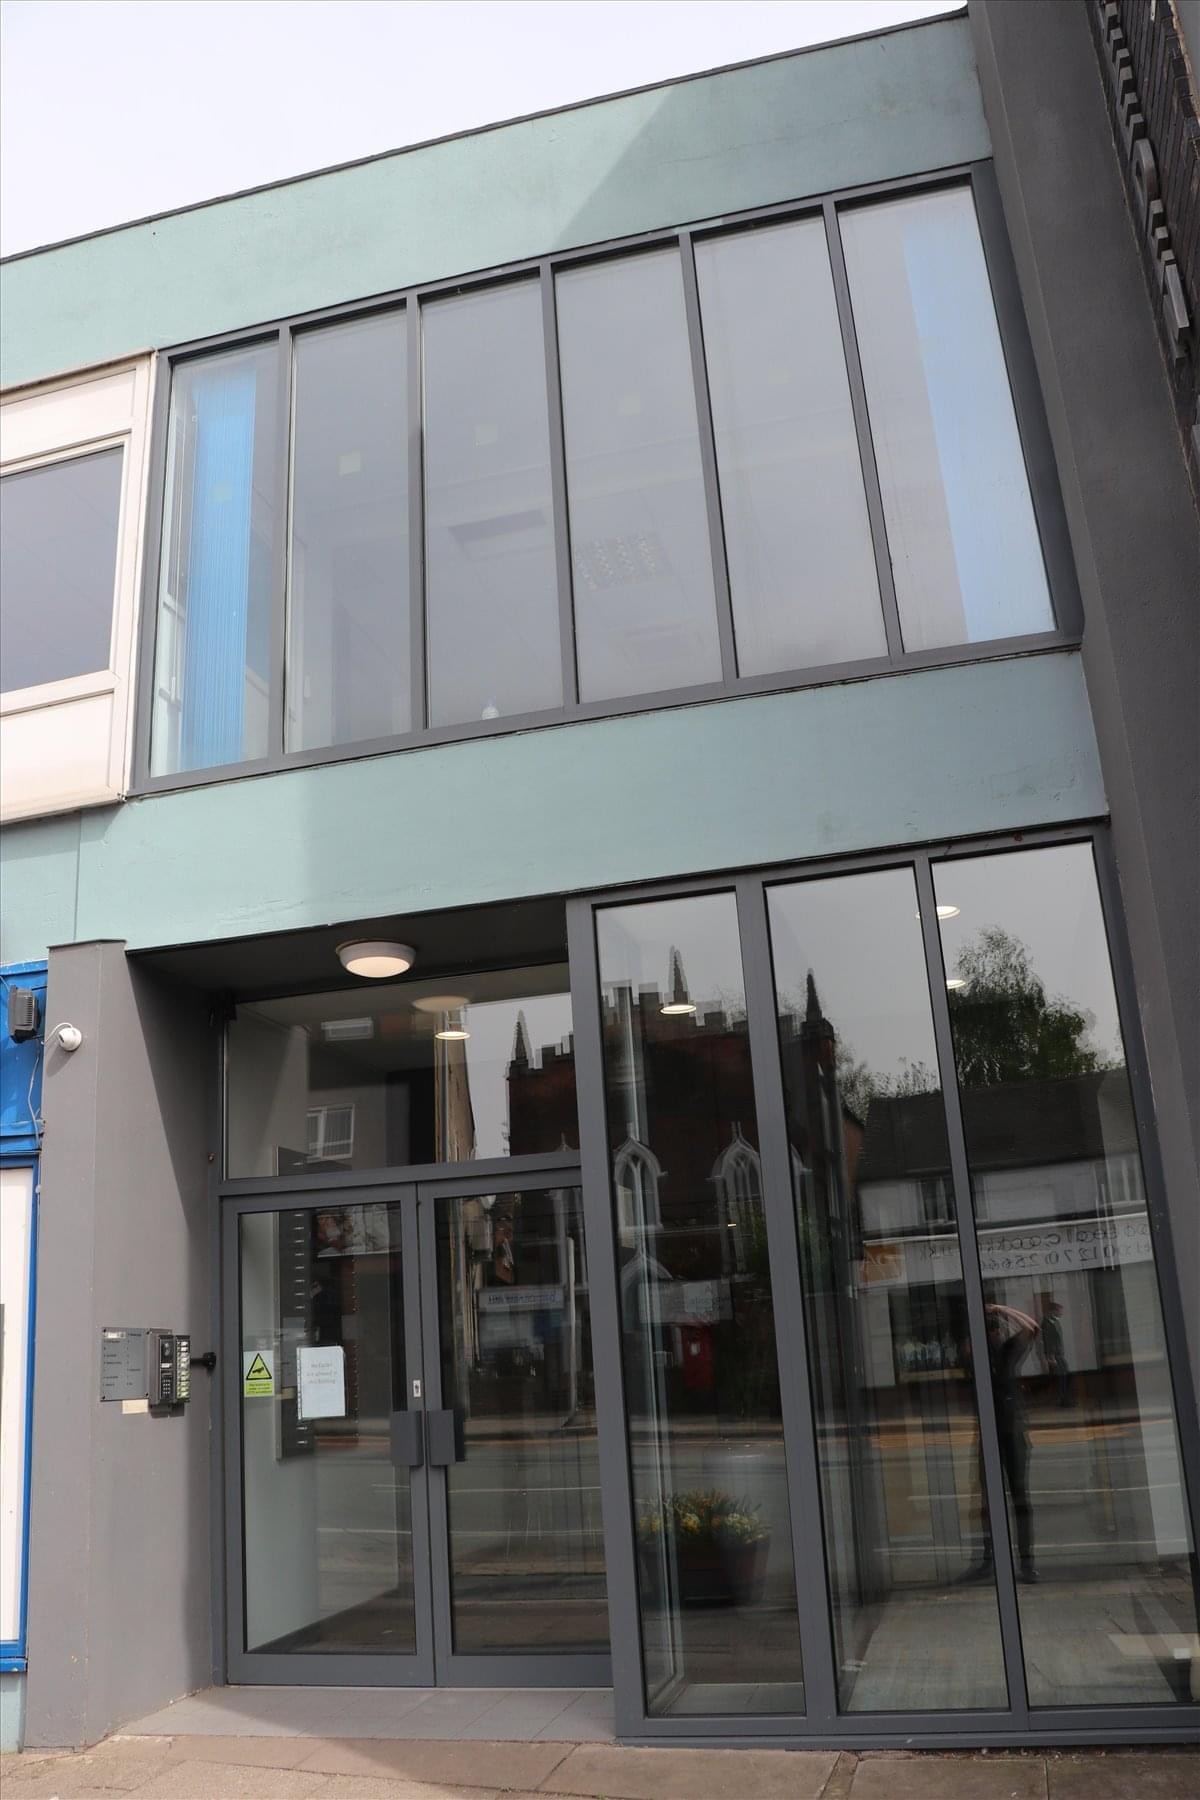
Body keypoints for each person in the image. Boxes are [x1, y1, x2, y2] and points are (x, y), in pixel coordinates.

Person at [960, 1302, 1041, 1584]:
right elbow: (1030, 1327)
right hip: (994, 1433)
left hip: (1011, 1433)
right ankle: (993, 1559)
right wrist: (993, 1314)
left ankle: (1024, 1562)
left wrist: (1001, 1310)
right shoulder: (978, 1359)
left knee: (1016, 1497)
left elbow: (1032, 1326)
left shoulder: (1006, 1352)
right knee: (991, 1500)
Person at [1040, 1296, 1072, 1407]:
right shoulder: (1048, 1323)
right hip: (1055, 1356)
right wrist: (1051, 1356)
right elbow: (1049, 1341)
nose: (1061, 1313)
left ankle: (1065, 1399)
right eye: (1059, 1310)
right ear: (1054, 1310)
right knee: (1061, 1378)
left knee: (1064, 1376)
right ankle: (1062, 1401)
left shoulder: (1054, 1322)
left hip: (1059, 1354)